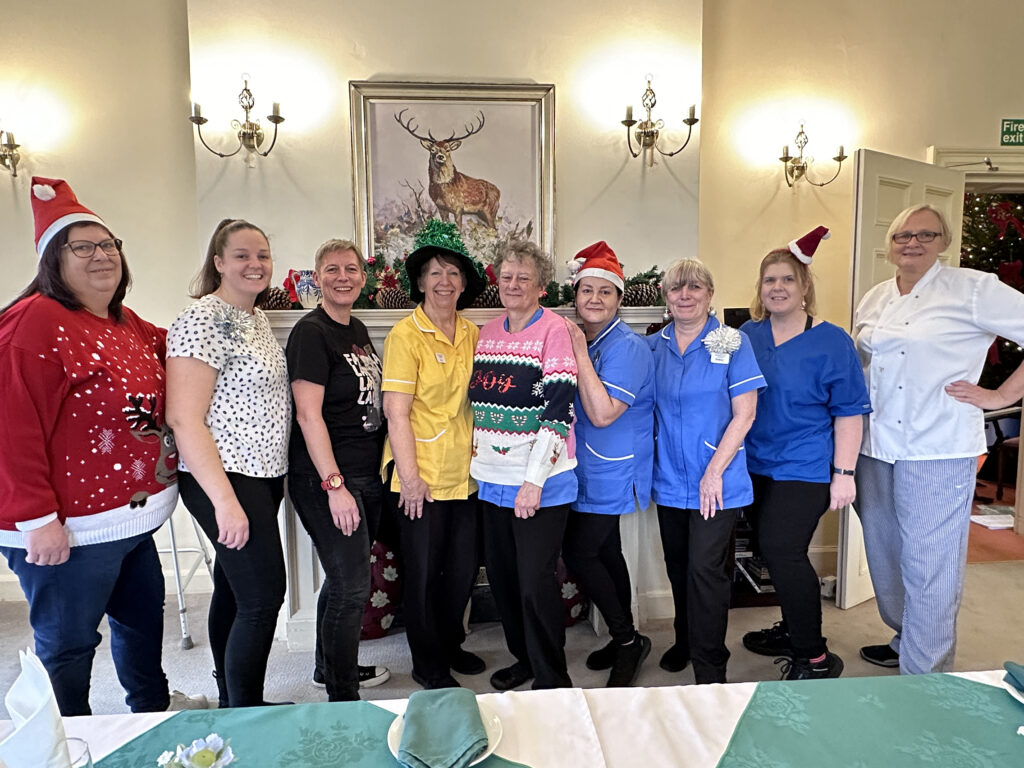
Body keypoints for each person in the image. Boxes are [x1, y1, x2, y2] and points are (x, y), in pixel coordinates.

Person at [0, 177, 205, 715]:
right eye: (83, 247)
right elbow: (11, 429)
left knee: (142, 624)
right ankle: (65, 739)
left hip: (131, 520)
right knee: (68, 646)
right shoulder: (35, 323)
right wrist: (37, 519)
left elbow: (183, 349)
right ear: (53, 259)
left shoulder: (122, 321)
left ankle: (151, 715)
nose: (102, 255)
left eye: (109, 244)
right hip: (68, 530)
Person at [854, 203, 1024, 675]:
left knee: (931, 565)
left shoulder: (973, 289)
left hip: (938, 447)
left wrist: (1000, 395)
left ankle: (925, 675)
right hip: (873, 446)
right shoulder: (875, 297)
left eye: (925, 234)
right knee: (885, 555)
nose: (912, 242)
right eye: (903, 235)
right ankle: (907, 637)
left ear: (943, 241)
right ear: (890, 244)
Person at [166, 218, 291, 707]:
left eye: (262, 255)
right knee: (263, 598)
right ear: (218, 262)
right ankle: (247, 713)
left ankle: (229, 701)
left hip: (261, 474)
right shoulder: (202, 319)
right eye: (241, 255)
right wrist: (225, 502)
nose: (254, 264)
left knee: (234, 589)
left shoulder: (253, 317)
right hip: (225, 477)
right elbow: (184, 418)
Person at [739, 227, 870, 680]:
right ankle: (793, 628)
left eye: (787, 279)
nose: (777, 288)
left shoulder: (832, 341)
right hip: (754, 464)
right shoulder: (747, 335)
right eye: (769, 280)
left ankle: (813, 657)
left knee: (783, 549)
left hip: (806, 465)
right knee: (769, 549)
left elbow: (849, 412)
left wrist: (844, 473)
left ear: (805, 286)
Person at [647, 258, 765, 685]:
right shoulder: (653, 347)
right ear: (666, 296)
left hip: (717, 480)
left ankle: (711, 667)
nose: (685, 295)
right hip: (668, 478)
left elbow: (745, 413)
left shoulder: (733, 342)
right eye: (676, 288)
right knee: (678, 566)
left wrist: (713, 472)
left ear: (709, 294)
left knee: (705, 571)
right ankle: (685, 639)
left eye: (694, 287)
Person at [381, 220, 487, 689]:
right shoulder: (406, 335)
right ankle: (428, 664)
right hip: (419, 476)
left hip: (467, 475)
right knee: (423, 576)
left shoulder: (473, 333)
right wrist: (410, 477)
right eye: (435, 273)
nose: (445, 281)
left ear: (464, 284)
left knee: (461, 572)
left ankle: (450, 644)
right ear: (421, 282)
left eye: (453, 273)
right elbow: (396, 412)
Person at [469, 240, 578, 691]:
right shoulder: (487, 333)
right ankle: (525, 660)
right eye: (507, 276)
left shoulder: (554, 330)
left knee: (535, 583)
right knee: (504, 580)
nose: (513, 284)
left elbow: (559, 410)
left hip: (541, 483)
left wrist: (533, 482)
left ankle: (552, 677)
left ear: (541, 286)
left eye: (524, 278)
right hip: (491, 482)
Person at [286, 239, 390, 702]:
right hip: (327, 479)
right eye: (332, 269)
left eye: (351, 269)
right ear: (317, 278)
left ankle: (327, 668)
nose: (342, 277)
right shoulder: (311, 333)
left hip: (365, 474)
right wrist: (334, 486)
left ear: (363, 279)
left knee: (342, 578)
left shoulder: (357, 329)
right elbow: (308, 416)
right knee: (351, 588)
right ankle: (343, 698)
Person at [561, 242, 655, 687]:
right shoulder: (593, 340)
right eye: (587, 290)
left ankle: (627, 641)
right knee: (605, 552)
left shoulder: (628, 347)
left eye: (605, 291)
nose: (594, 299)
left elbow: (602, 414)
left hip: (615, 468)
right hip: (584, 465)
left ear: (619, 299)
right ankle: (627, 637)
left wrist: (578, 350)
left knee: (580, 552)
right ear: (575, 295)